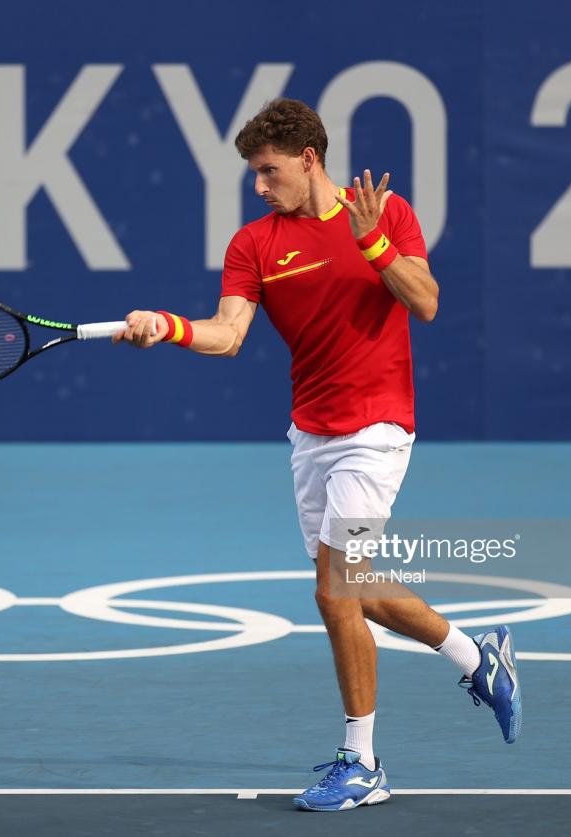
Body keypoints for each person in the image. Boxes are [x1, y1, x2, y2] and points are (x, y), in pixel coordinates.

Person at [114, 98, 520, 812]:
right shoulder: (254, 245)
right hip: (312, 434)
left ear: (309, 159)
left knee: (334, 591)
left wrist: (374, 245)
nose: (259, 186)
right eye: (253, 175)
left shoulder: (386, 213)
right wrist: (169, 325)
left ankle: (362, 763)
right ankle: (477, 656)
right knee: (355, 589)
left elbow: (424, 302)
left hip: (378, 429)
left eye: (269, 172)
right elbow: (227, 333)